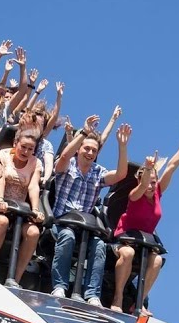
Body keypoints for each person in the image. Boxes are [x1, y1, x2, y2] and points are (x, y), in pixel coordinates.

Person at [109, 124, 179, 314]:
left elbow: (171, 166)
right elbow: (142, 186)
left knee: (156, 261)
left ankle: (138, 303)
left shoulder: (158, 192)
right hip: (124, 240)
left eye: (153, 182)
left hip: (145, 244)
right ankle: (118, 297)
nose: (151, 186)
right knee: (128, 253)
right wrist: (147, 169)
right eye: (148, 182)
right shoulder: (135, 194)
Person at [49, 121, 131, 304]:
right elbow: (64, 155)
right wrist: (84, 133)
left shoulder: (98, 172)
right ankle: (60, 286)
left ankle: (92, 294)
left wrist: (122, 146)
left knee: (99, 245)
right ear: (79, 148)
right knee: (68, 236)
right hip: (62, 223)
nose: (90, 153)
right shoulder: (67, 165)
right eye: (86, 148)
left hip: (85, 228)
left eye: (94, 150)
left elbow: (120, 175)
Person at [0, 132, 44, 285]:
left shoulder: (36, 163)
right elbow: (0, 178)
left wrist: (35, 209)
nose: (26, 151)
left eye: (30, 149)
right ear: (15, 143)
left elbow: (33, 186)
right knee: (2, 222)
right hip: (0, 204)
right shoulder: (3, 155)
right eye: (23, 147)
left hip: (20, 210)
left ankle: (14, 279)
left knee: (33, 232)